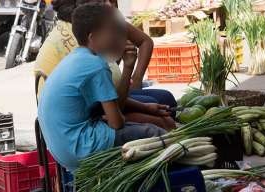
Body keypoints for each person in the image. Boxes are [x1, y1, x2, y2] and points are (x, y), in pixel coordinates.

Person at [38, 3, 166, 172]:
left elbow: (106, 107)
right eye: (112, 32)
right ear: (93, 37)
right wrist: (128, 68)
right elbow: (116, 123)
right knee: (154, 133)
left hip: (63, 148)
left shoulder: (77, 57)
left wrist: (145, 107)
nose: (117, 37)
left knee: (142, 126)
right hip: (80, 146)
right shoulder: (96, 66)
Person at [35, 0, 176, 129]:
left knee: (163, 103)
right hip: (87, 120)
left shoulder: (84, 44)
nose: (110, 5)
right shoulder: (95, 63)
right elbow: (116, 120)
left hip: (98, 105)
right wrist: (128, 68)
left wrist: (143, 102)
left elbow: (110, 98)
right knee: (163, 121)